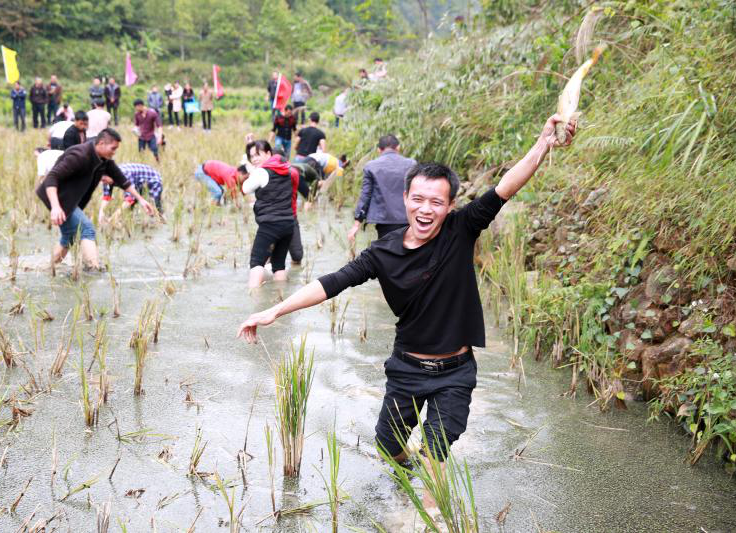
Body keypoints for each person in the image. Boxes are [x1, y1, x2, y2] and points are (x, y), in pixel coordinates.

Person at [238, 115, 578, 509]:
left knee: (436, 458)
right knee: (389, 448)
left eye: (437, 201)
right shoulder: (383, 252)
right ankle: (407, 469)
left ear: (450, 205)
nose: (426, 209)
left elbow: (505, 187)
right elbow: (332, 282)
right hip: (406, 369)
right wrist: (274, 311)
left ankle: (429, 518)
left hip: (455, 373)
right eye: (418, 199)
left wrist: (543, 144)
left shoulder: (461, 228)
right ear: (405, 200)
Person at [36, 128, 155, 270]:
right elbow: (51, 178)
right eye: (113, 148)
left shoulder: (105, 160)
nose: (114, 152)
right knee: (87, 229)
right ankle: (94, 270)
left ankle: (49, 268)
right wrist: (55, 207)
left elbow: (123, 181)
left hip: (68, 199)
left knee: (69, 237)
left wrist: (141, 200)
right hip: (57, 196)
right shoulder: (80, 155)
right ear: (102, 143)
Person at [241, 140, 298, 288]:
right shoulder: (287, 169)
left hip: (270, 225)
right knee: (278, 264)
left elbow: (245, 188)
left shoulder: (261, 172)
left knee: (257, 261)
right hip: (288, 224)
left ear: (268, 153)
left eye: (257, 155)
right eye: (251, 156)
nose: (254, 159)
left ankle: (254, 299)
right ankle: (281, 296)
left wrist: (253, 172)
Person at [348, 135, 415, 242]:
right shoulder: (411, 164)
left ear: (379, 150)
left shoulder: (371, 166)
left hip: (384, 221)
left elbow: (366, 195)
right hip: (407, 218)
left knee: (386, 253)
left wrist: (357, 223)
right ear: (398, 147)